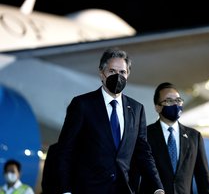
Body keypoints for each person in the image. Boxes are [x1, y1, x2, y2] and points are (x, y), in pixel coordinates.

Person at [56, 48, 164, 194]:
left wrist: (157, 186)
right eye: (112, 71)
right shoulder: (82, 104)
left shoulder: (137, 109)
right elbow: (65, 149)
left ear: (128, 74)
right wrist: (65, 190)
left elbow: (143, 152)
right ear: (101, 72)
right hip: (88, 189)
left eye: (122, 72)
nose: (117, 76)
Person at [135, 82, 209, 194]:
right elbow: (135, 173)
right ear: (157, 107)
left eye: (178, 100)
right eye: (169, 101)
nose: (175, 104)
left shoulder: (194, 137)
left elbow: (203, 178)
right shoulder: (145, 135)